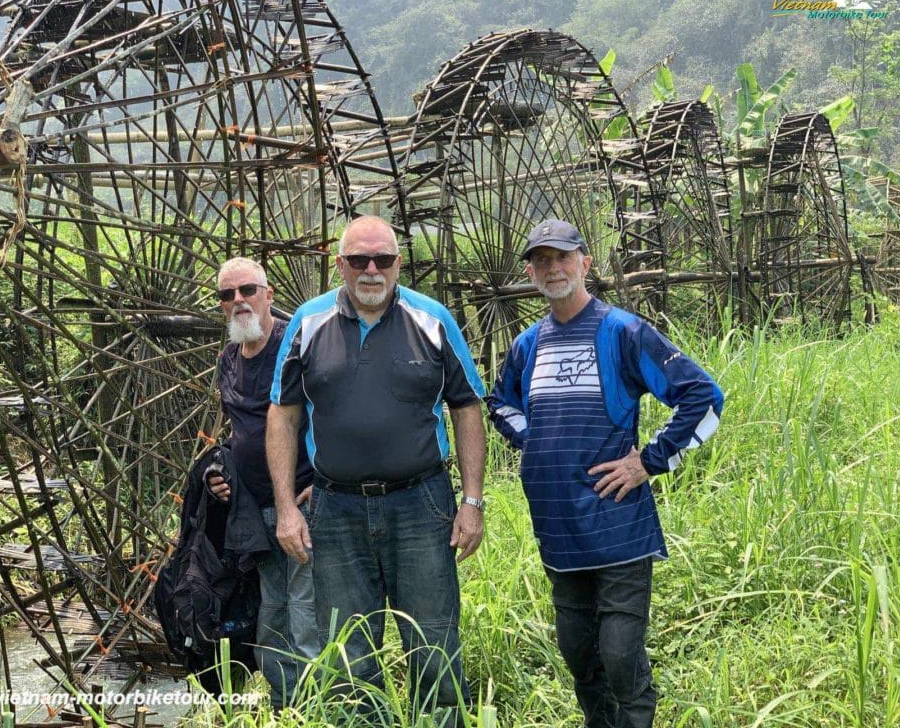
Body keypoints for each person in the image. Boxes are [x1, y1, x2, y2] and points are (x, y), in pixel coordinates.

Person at [487, 219, 724, 728]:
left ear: (585, 264)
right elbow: (499, 403)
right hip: (557, 530)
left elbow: (703, 395)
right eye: (542, 260)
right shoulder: (528, 345)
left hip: (619, 528)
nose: (554, 268)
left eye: (563, 257)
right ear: (530, 271)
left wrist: (647, 461)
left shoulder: (623, 332)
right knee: (578, 653)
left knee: (620, 653)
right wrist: (537, 441)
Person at [265, 216, 487, 723]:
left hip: (421, 503)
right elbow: (282, 413)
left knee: (433, 642)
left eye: (382, 259)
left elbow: (467, 406)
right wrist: (285, 508)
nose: (371, 270)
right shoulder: (308, 321)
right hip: (335, 509)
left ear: (398, 264)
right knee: (348, 653)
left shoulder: (432, 319)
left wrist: (472, 502)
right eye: (359, 260)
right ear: (339, 264)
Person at [206, 256, 319, 709]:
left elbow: (332, 413)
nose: (238, 301)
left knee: (307, 609)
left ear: (268, 295)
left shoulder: (297, 345)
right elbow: (238, 432)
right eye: (227, 295)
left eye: (248, 290)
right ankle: (284, 705)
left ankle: (319, 704)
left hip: (305, 499)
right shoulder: (228, 358)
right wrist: (220, 475)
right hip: (257, 510)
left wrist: (326, 478)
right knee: (273, 611)